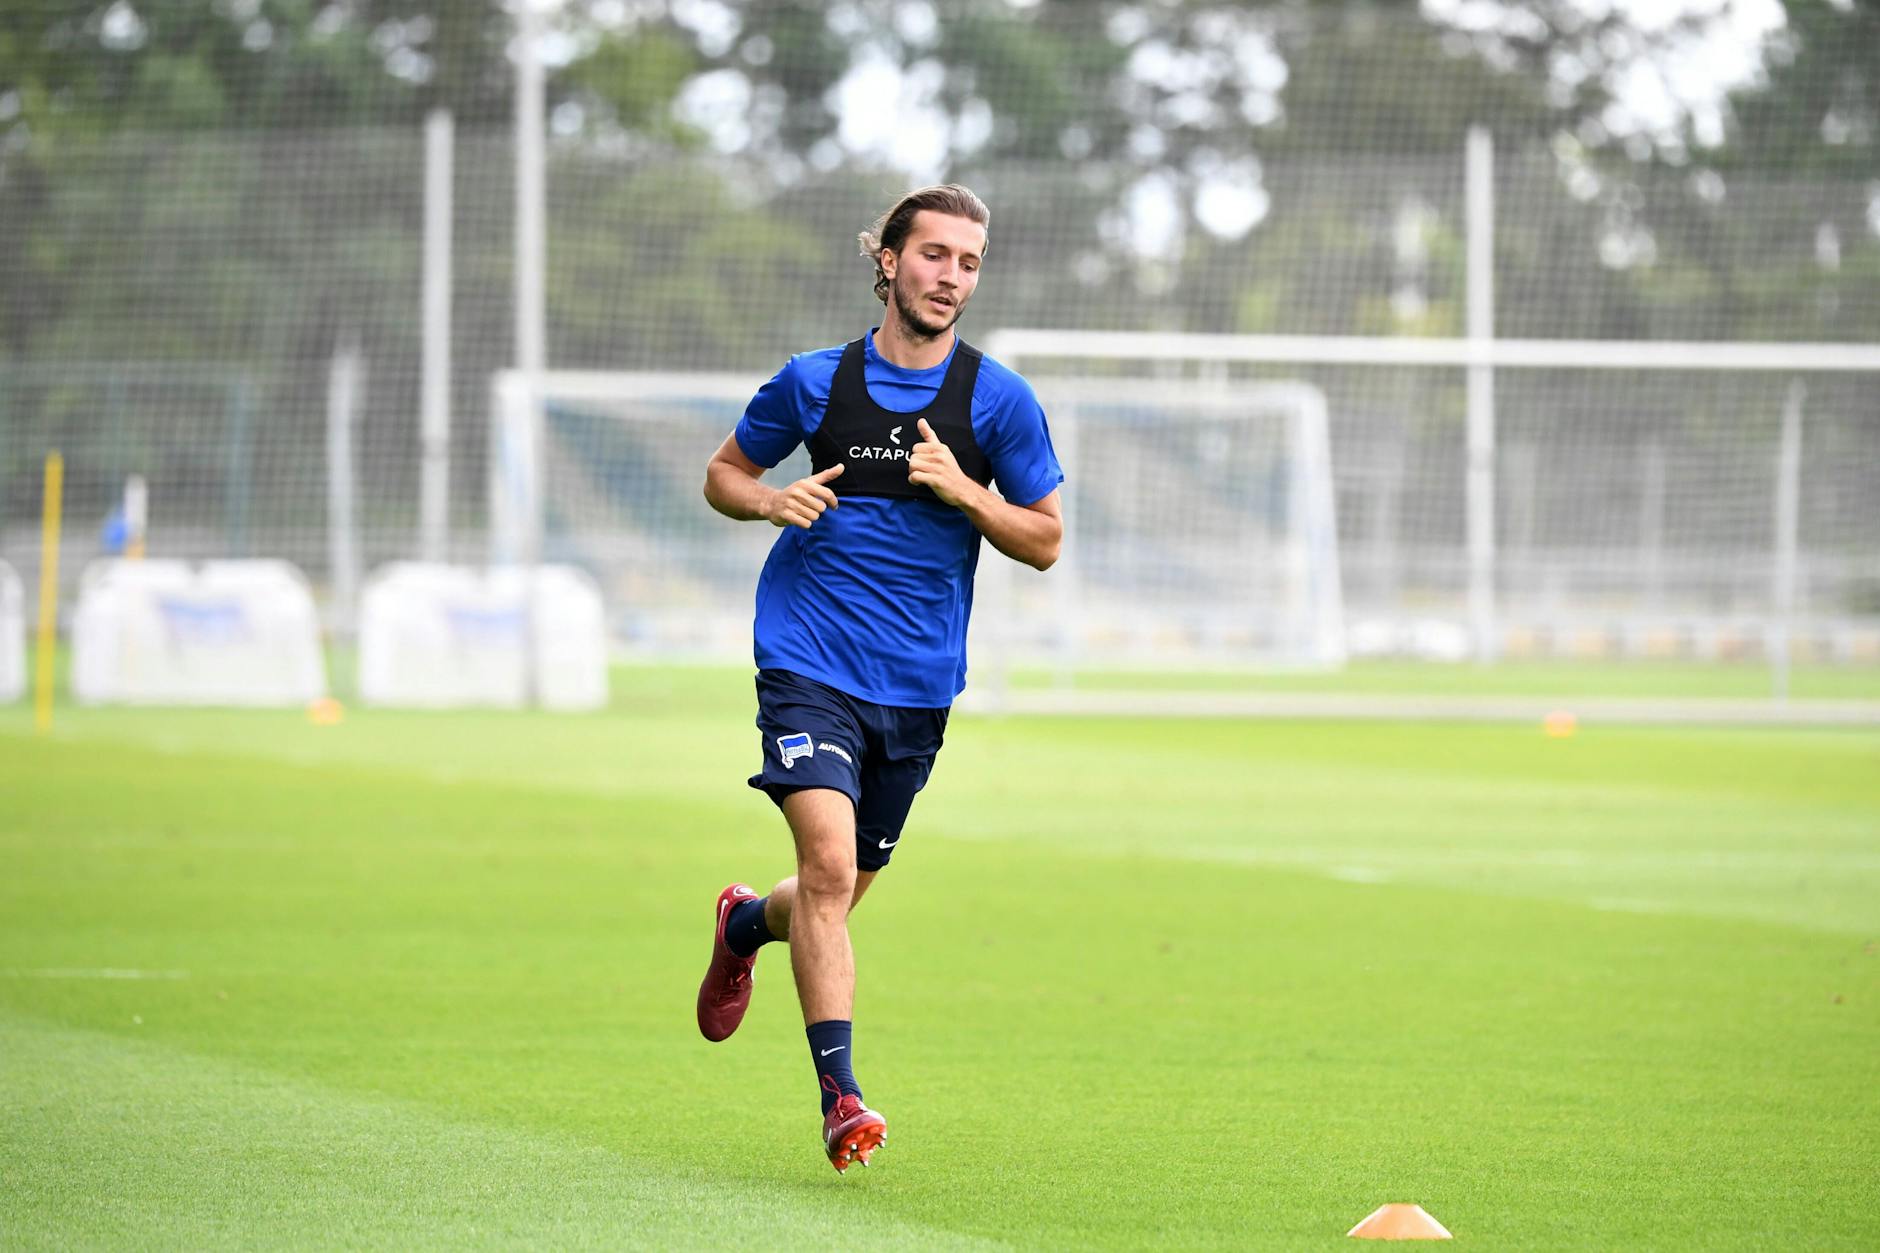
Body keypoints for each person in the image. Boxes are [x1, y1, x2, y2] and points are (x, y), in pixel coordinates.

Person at [696, 184, 1064, 1174]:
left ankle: (741, 923)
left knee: (835, 892)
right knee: (823, 867)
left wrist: (963, 489)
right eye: (934, 255)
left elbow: (1045, 539)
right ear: (888, 259)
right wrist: (769, 499)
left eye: (969, 262)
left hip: (916, 685)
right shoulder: (813, 382)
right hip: (807, 657)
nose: (951, 276)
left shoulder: (997, 401)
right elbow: (722, 474)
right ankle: (841, 1096)